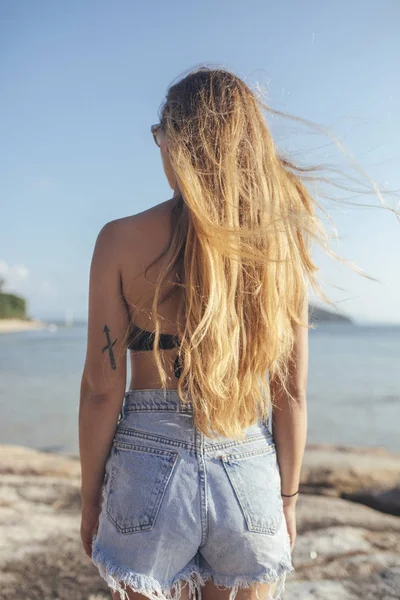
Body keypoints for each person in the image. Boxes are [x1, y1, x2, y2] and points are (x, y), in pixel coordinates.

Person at [79, 66, 311, 600]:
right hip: (247, 461)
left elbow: (100, 390)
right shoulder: (280, 247)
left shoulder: (119, 240)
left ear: (177, 141)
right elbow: (290, 394)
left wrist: (91, 497)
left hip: (146, 462)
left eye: (160, 137)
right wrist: (288, 499)